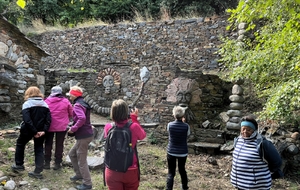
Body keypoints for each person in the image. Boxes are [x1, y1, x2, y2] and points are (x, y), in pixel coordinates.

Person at [231, 115, 283, 190]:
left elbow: (277, 162)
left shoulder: (263, 144)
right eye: (243, 129)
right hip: (240, 184)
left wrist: (264, 173)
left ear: (254, 130)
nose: (245, 131)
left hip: (257, 186)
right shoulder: (238, 140)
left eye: (248, 129)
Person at [104, 99, 146, 190]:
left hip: (112, 169)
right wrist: (134, 118)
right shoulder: (134, 127)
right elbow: (142, 135)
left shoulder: (108, 127)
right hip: (130, 169)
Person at [11, 86, 51, 179]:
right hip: (41, 131)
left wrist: (34, 131)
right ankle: (38, 171)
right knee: (39, 149)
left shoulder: (27, 104)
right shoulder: (45, 104)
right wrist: (43, 130)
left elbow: (27, 120)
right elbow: (48, 120)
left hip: (28, 130)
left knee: (20, 144)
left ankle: (19, 165)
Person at [67, 86, 94, 190]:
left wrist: (73, 129)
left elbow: (82, 118)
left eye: (70, 95)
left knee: (82, 161)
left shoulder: (78, 105)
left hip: (83, 136)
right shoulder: (83, 102)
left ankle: (87, 184)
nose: (69, 97)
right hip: (86, 134)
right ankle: (79, 174)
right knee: (72, 154)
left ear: (74, 95)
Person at [44, 86, 73, 170]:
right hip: (62, 126)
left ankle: (47, 163)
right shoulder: (65, 101)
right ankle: (57, 163)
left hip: (49, 126)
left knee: (48, 144)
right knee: (59, 144)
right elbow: (71, 113)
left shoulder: (46, 101)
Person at [166, 106, 190, 190]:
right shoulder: (186, 126)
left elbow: (170, 133)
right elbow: (187, 135)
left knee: (171, 172)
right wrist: (184, 123)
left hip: (171, 151)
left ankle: (169, 188)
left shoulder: (170, 125)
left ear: (174, 115)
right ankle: (184, 187)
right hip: (183, 151)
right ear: (183, 116)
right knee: (182, 170)